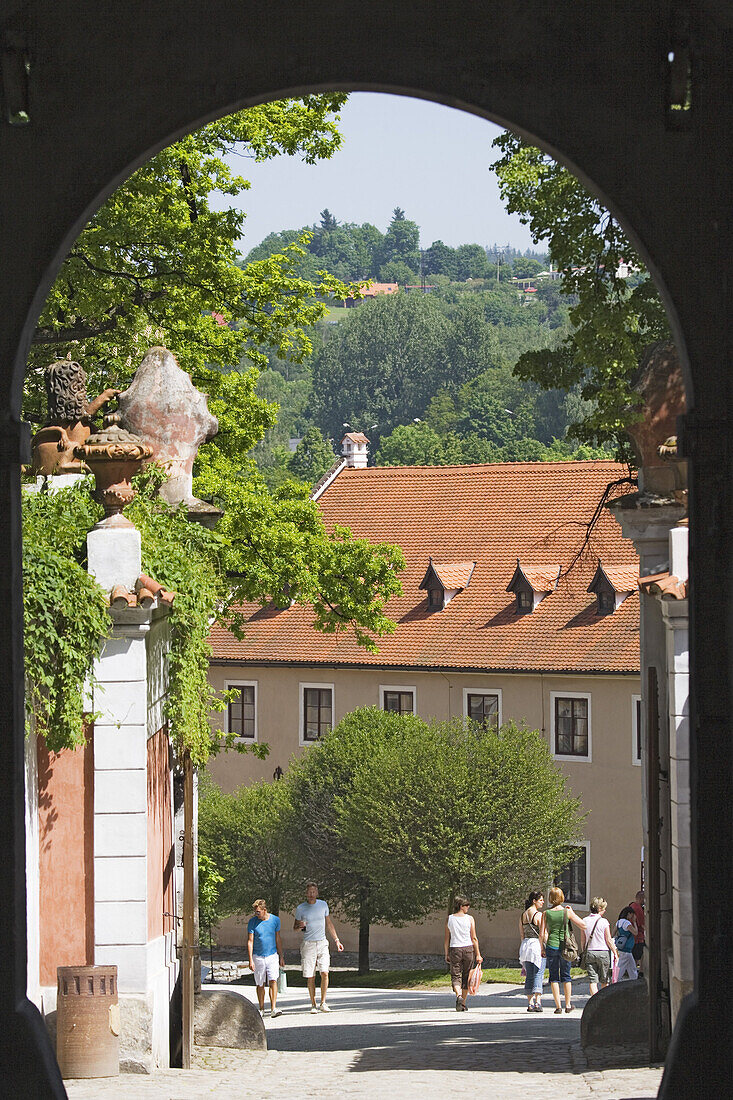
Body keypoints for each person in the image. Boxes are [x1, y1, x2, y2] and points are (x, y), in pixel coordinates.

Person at [293, 882, 344, 1013]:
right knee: (311, 976)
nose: (311, 894)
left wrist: (337, 940)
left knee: (325, 972)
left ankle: (323, 1002)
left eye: (314, 891)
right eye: (309, 891)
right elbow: (296, 929)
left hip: (322, 942)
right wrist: (302, 926)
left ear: (317, 893)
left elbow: (329, 924)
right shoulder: (301, 908)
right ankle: (313, 1004)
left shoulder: (323, 905)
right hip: (308, 943)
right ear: (306, 893)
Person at [540, 886, 586, 1013]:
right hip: (565, 947)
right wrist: (573, 913)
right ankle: (567, 1004)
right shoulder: (567, 912)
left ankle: (558, 1006)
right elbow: (583, 925)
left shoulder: (546, 913)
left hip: (551, 946)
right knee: (566, 975)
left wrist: (542, 948)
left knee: (554, 976)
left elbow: (542, 933)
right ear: (561, 897)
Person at [247, 898, 285, 1018]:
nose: (256, 914)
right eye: (255, 912)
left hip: (272, 955)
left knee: (273, 980)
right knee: (260, 983)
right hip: (258, 956)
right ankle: (261, 1008)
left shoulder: (275, 920)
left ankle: (273, 1007)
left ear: (264, 910)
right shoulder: (252, 922)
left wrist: (281, 956)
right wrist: (250, 960)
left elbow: (277, 938)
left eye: (258, 911)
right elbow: (250, 941)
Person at [444, 896, 483, 1012]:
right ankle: (463, 1003)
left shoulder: (449, 919)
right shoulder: (470, 919)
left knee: (455, 975)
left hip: (455, 948)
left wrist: (446, 953)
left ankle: (459, 996)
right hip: (468, 948)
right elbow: (474, 938)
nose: (468, 907)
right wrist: (478, 954)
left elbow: (447, 938)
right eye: (466, 905)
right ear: (461, 906)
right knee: (466, 976)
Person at [582, 897, 618, 995]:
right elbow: (609, 940)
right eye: (603, 909)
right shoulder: (604, 922)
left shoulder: (584, 920)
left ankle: (594, 1000)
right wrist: (615, 952)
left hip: (590, 951)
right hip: (603, 952)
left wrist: (584, 951)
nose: (605, 911)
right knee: (604, 980)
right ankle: (602, 1001)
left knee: (593, 981)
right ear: (599, 909)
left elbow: (583, 940)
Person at [519, 890, 545, 1012]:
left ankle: (529, 1003)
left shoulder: (523, 915)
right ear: (534, 901)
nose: (542, 902)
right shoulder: (538, 915)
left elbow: (522, 934)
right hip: (536, 945)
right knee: (538, 973)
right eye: (540, 900)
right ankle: (537, 1002)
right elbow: (542, 933)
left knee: (529, 975)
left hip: (525, 946)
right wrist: (545, 945)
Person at [614, 906, 639, 981]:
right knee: (621, 966)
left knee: (632, 967)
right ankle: (616, 980)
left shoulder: (618, 922)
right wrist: (634, 922)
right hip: (626, 949)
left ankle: (634, 979)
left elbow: (613, 933)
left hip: (621, 947)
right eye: (632, 914)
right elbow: (635, 932)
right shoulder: (627, 923)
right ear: (629, 914)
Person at [629, 890, 646, 976]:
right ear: (641, 898)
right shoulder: (638, 908)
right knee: (638, 956)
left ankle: (635, 972)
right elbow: (642, 924)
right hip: (638, 937)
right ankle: (636, 974)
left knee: (634, 957)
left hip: (632, 936)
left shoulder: (632, 905)